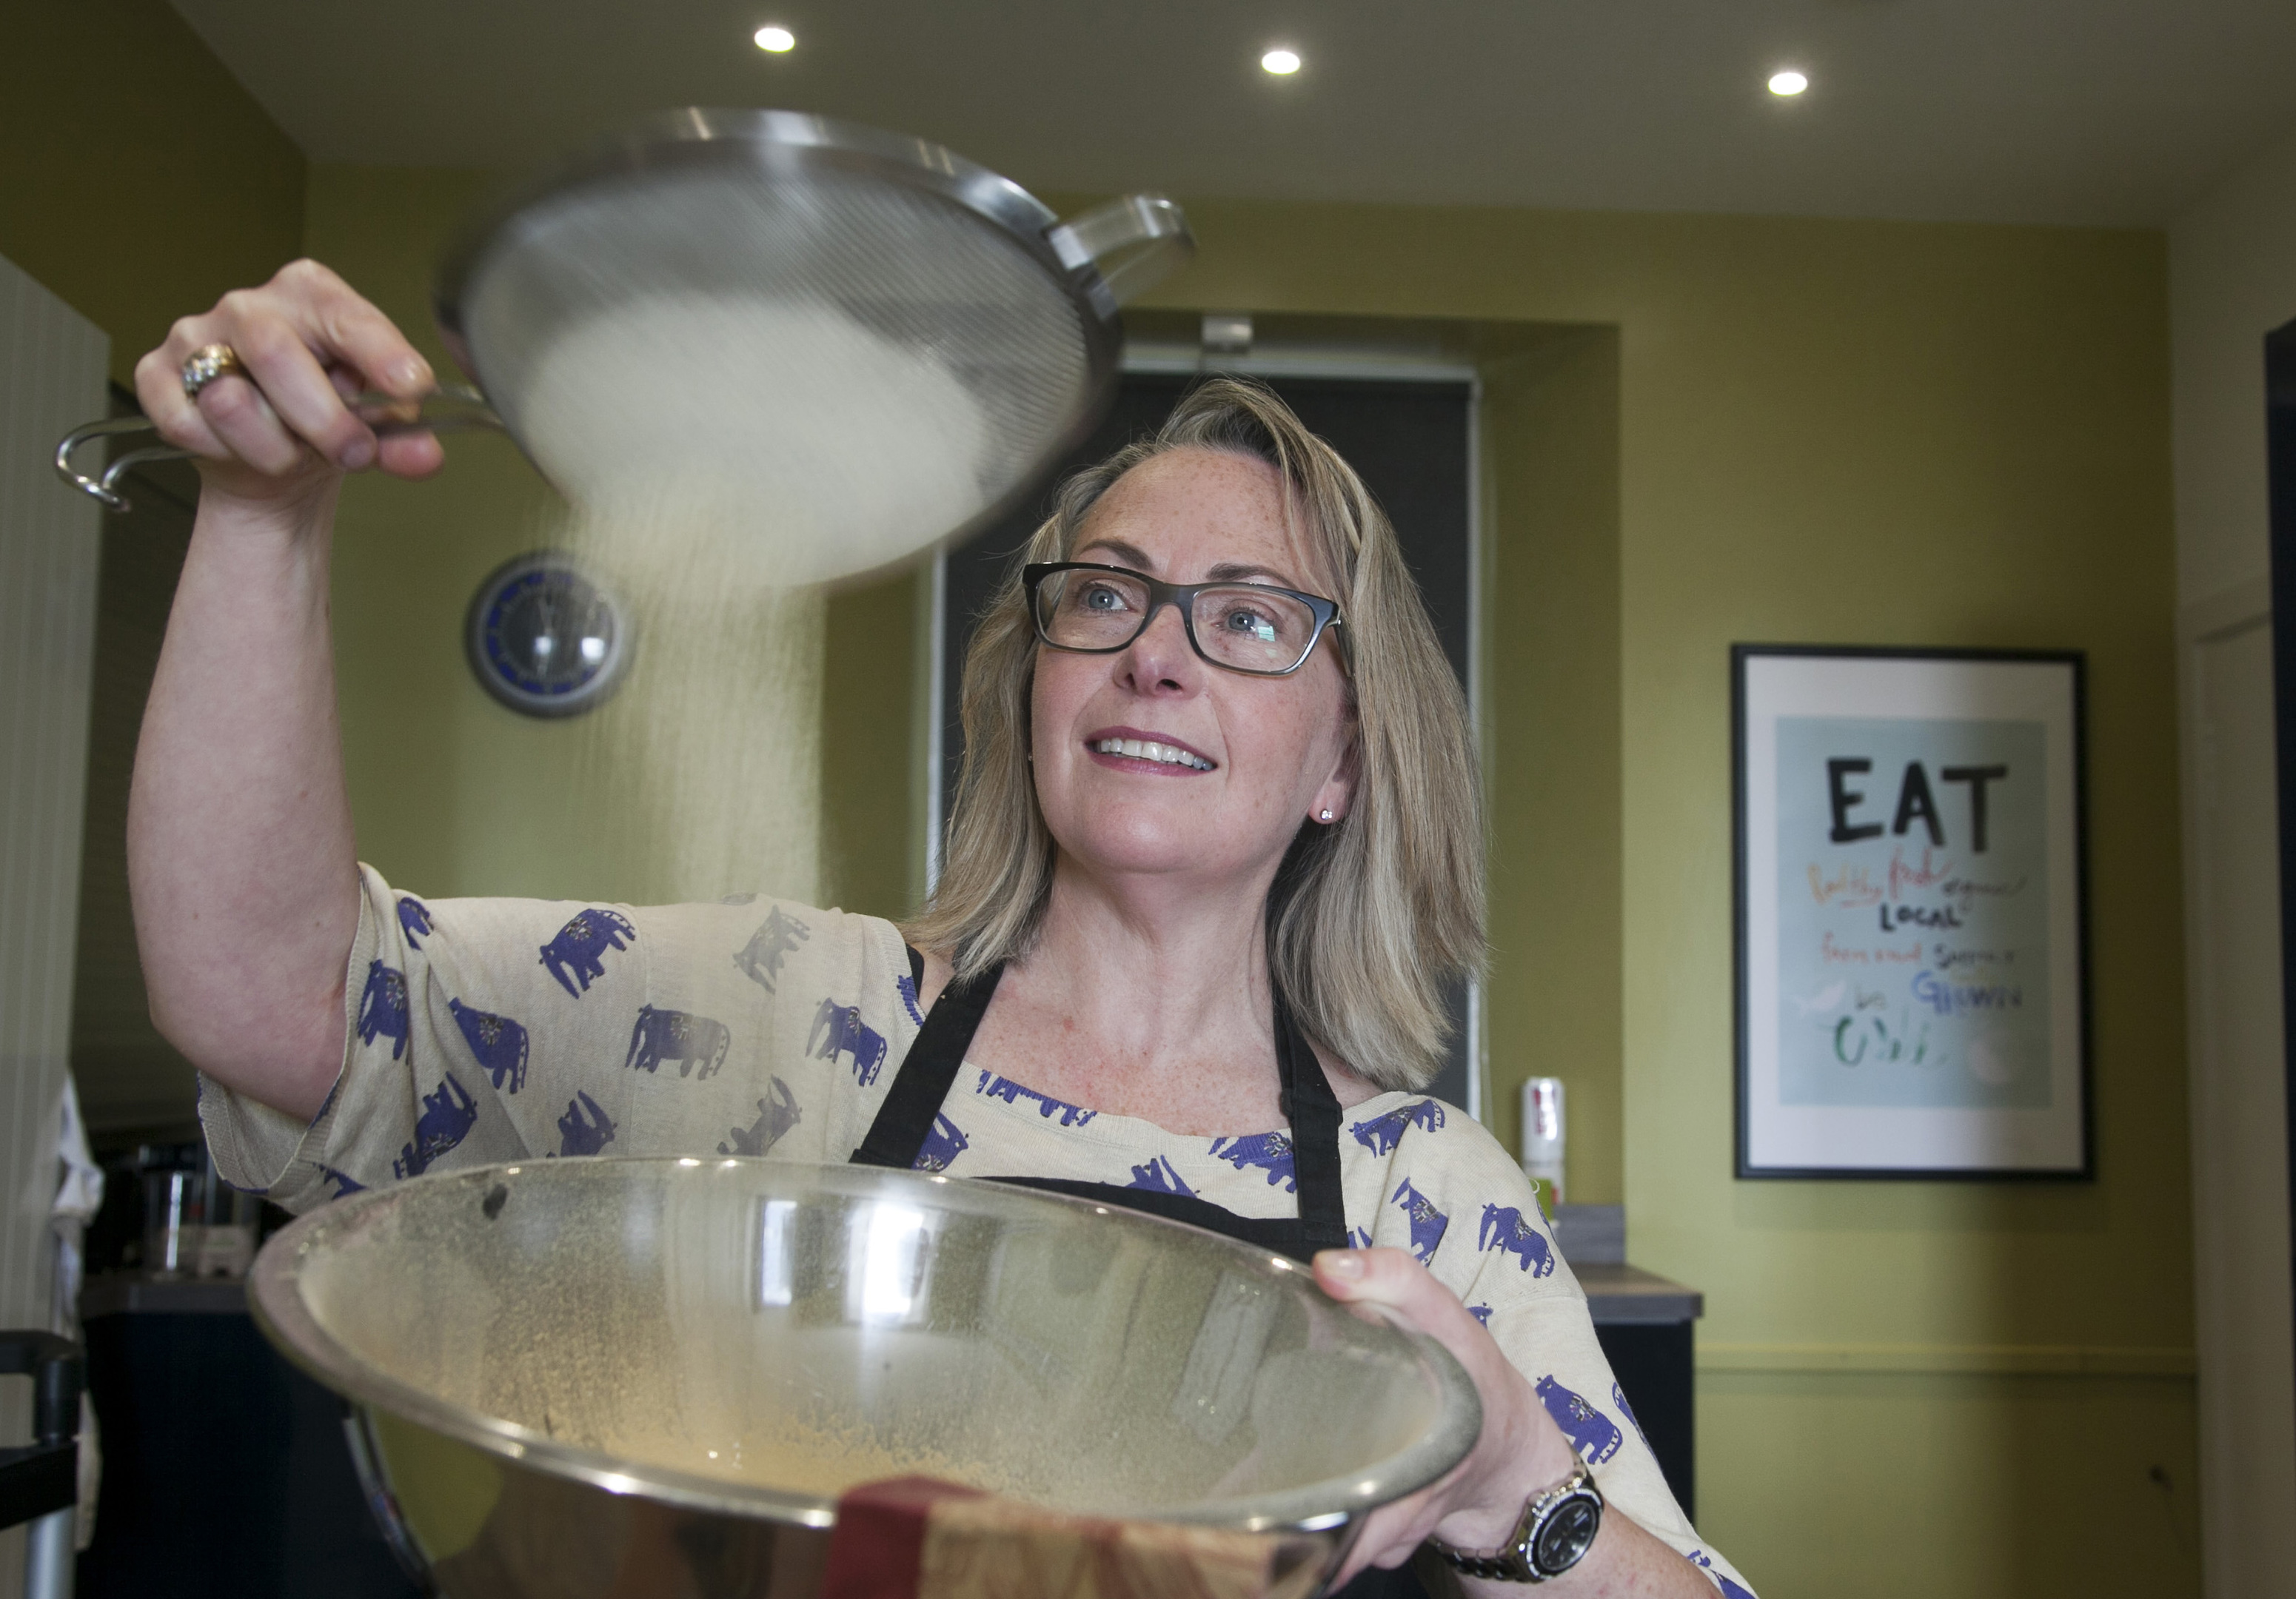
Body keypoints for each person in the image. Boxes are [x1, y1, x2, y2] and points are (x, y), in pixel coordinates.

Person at [129, 260, 1754, 1598]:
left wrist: (1516, 1486)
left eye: (1251, 618)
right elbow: (272, 1001)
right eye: (1104, 595)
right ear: (1031, 680)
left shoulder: (1427, 1192)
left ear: (1343, 759)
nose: (1157, 655)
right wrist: (262, 519)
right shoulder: (785, 1014)